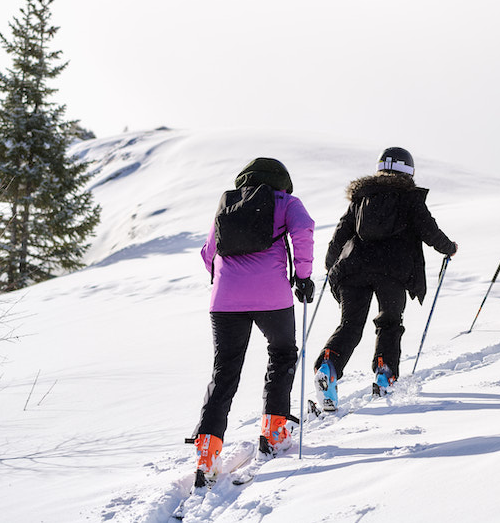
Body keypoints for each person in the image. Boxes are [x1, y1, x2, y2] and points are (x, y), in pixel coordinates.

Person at [190, 157, 315, 488]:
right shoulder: (286, 202)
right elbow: (303, 230)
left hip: (225, 301)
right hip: (272, 296)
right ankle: (274, 431)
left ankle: (207, 453)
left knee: (224, 372)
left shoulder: (228, 204)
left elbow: (208, 252)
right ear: (282, 181)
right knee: (284, 351)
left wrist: (227, 283)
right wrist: (303, 276)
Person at [314, 146, 457, 411]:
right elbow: (429, 230)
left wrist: (330, 264)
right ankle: (385, 373)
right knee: (389, 322)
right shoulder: (410, 198)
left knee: (350, 325)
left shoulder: (361, 198)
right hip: (392, 271)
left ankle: (328, 366)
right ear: (409, 171)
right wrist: (449, 247)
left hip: (353, 269)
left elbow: (340, 234)